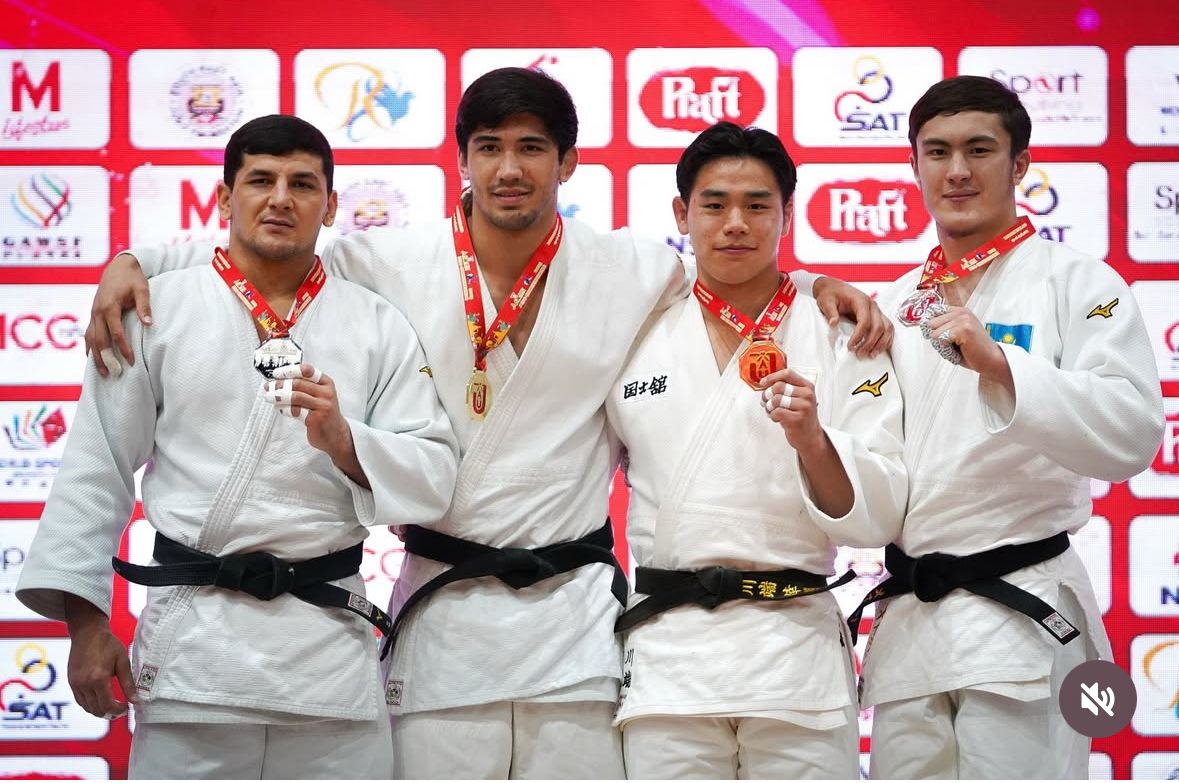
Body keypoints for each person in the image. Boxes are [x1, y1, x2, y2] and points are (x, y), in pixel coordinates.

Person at [83, 68, 892, 779]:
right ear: (461, 159)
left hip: (573, 619)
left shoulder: (630, 268)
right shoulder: (388, 260)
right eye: (490, 147)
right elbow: (272, 252)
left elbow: (732, 265)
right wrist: (138, 262)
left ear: (567, 162)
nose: (509, 168)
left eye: (532, 147)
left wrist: (818, 284)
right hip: (444, 611)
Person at [16, 115, 459, 780]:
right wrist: (85, 624)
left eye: (302, 184)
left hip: (326, 658)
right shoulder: (154, 310)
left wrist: (346, 442)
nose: (280, 198)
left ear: (330, 206)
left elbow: (433, 479)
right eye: (260, 180)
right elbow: (95, 468)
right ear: (225, 198)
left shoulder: (377, 324)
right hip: (195, 658)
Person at [852, 75, 1164, 779]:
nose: (957, 170)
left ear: (1019, 164)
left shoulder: (1077, 282)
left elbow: (1132, 432)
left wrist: (1001, 365)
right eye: (937, 152)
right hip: (912, 622)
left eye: (979, 149)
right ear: (913, 165)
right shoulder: (894, 303)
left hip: (1023, 611)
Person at [606, 121, 906, 779]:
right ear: (681, 214)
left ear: (787, 214)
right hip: (669, 655)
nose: (735, 224)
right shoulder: (633, 322)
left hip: (793, 652)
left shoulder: (840, 330)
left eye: (757, 205)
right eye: (714, 205)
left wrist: (811, 441)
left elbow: (875, 517)